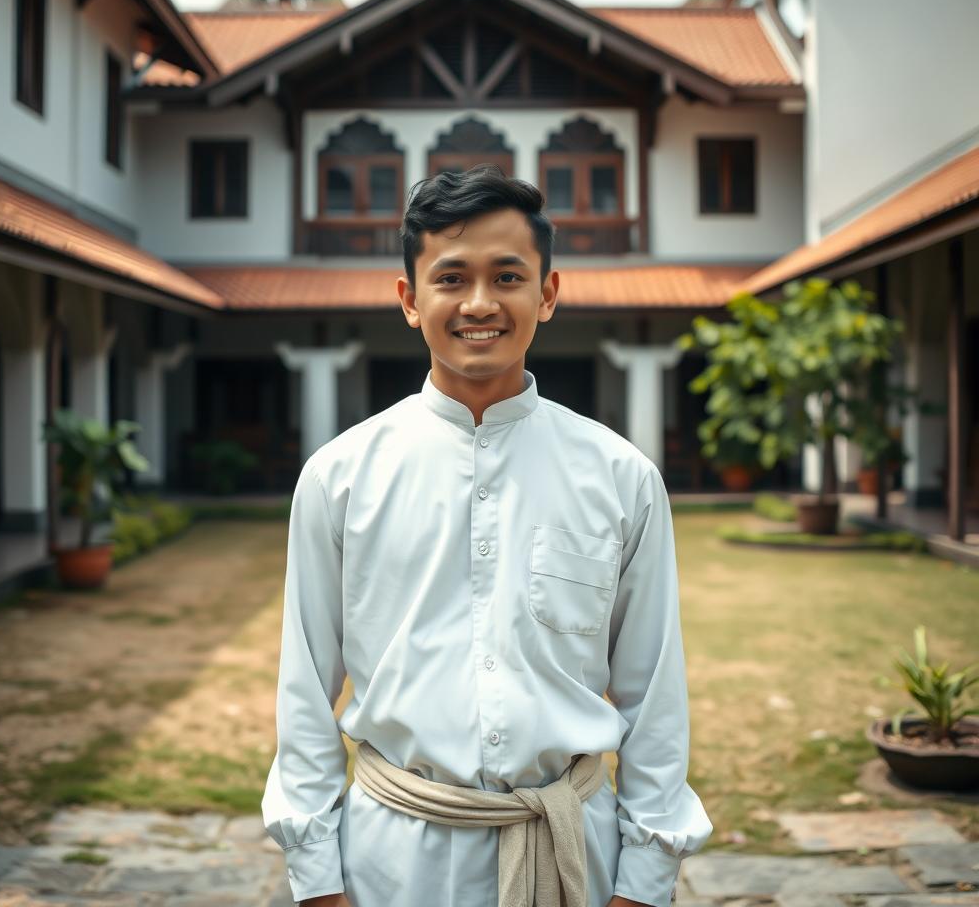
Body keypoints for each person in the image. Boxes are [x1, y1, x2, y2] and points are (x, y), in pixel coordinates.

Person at [261, 165, 713, 907]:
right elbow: (304, 687)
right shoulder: (340, 476)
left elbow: (653, 690)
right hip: (390, 860)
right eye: (451, 278)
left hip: (572, 856)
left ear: (548, 292)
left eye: (507, 276)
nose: (479, 303)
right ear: (410, 300)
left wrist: (646, 877)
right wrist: (317, 878)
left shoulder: (620, 476)